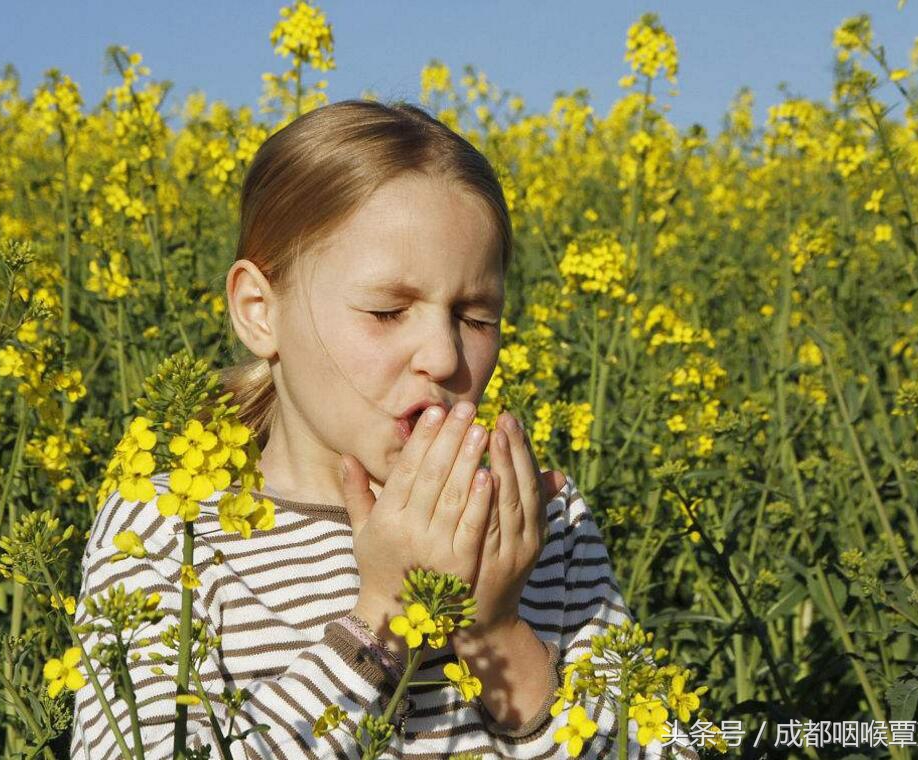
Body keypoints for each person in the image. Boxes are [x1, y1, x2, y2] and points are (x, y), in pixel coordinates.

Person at [71, 99, 698, 759]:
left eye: (475, 315)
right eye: (387, 310)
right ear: (260, 311)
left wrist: (496, 635)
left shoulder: (538, 523)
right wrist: (379, 624)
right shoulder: (171, 527)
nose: (445, 356)